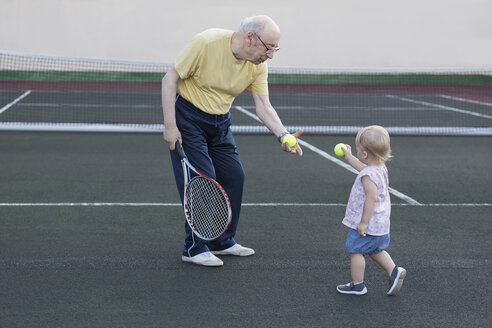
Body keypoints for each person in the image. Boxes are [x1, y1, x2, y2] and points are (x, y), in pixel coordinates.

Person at [161, 15, 303, 267]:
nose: (270, 55)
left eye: (274, 49)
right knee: (202, 180)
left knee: (234, 177)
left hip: (221, 123)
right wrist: (170, 126)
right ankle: (193, 247)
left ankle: (222, 241)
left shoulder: (257, 65)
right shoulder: (207, 42)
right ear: (251, 38)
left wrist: (284, 135)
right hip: (189, 118)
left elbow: (264, 106)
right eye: (269, 47)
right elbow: (169, 79)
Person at [336, 125, 406, 296]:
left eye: (359, 150)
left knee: (356, 250)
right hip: (381, 224)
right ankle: (394, 271)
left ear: (365, 154)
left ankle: (357, 285)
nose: (359, 153)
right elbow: (363, 167)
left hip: (369, 224)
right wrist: (349, 156)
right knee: (375, 250)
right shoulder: (379, 169)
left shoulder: (368, 176)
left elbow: (371, 198)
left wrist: (363, 223)